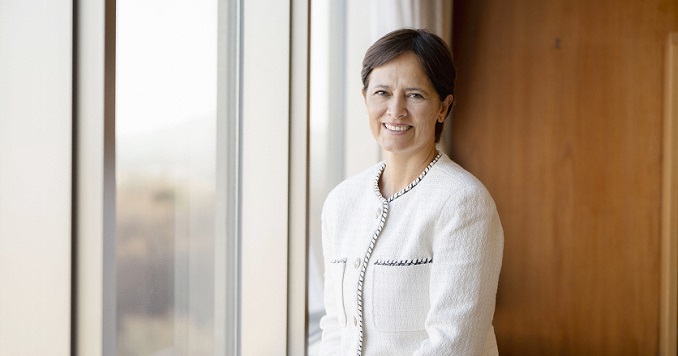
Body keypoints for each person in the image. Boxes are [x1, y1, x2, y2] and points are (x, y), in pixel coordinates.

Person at [319, 28, 504, 356]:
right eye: (382, 93)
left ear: (443, 108)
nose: (395, 110)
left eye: (415, 95)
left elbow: (454, 343)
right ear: (364, 98)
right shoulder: (341, 202)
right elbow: (336, 327)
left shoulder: (463, 203)